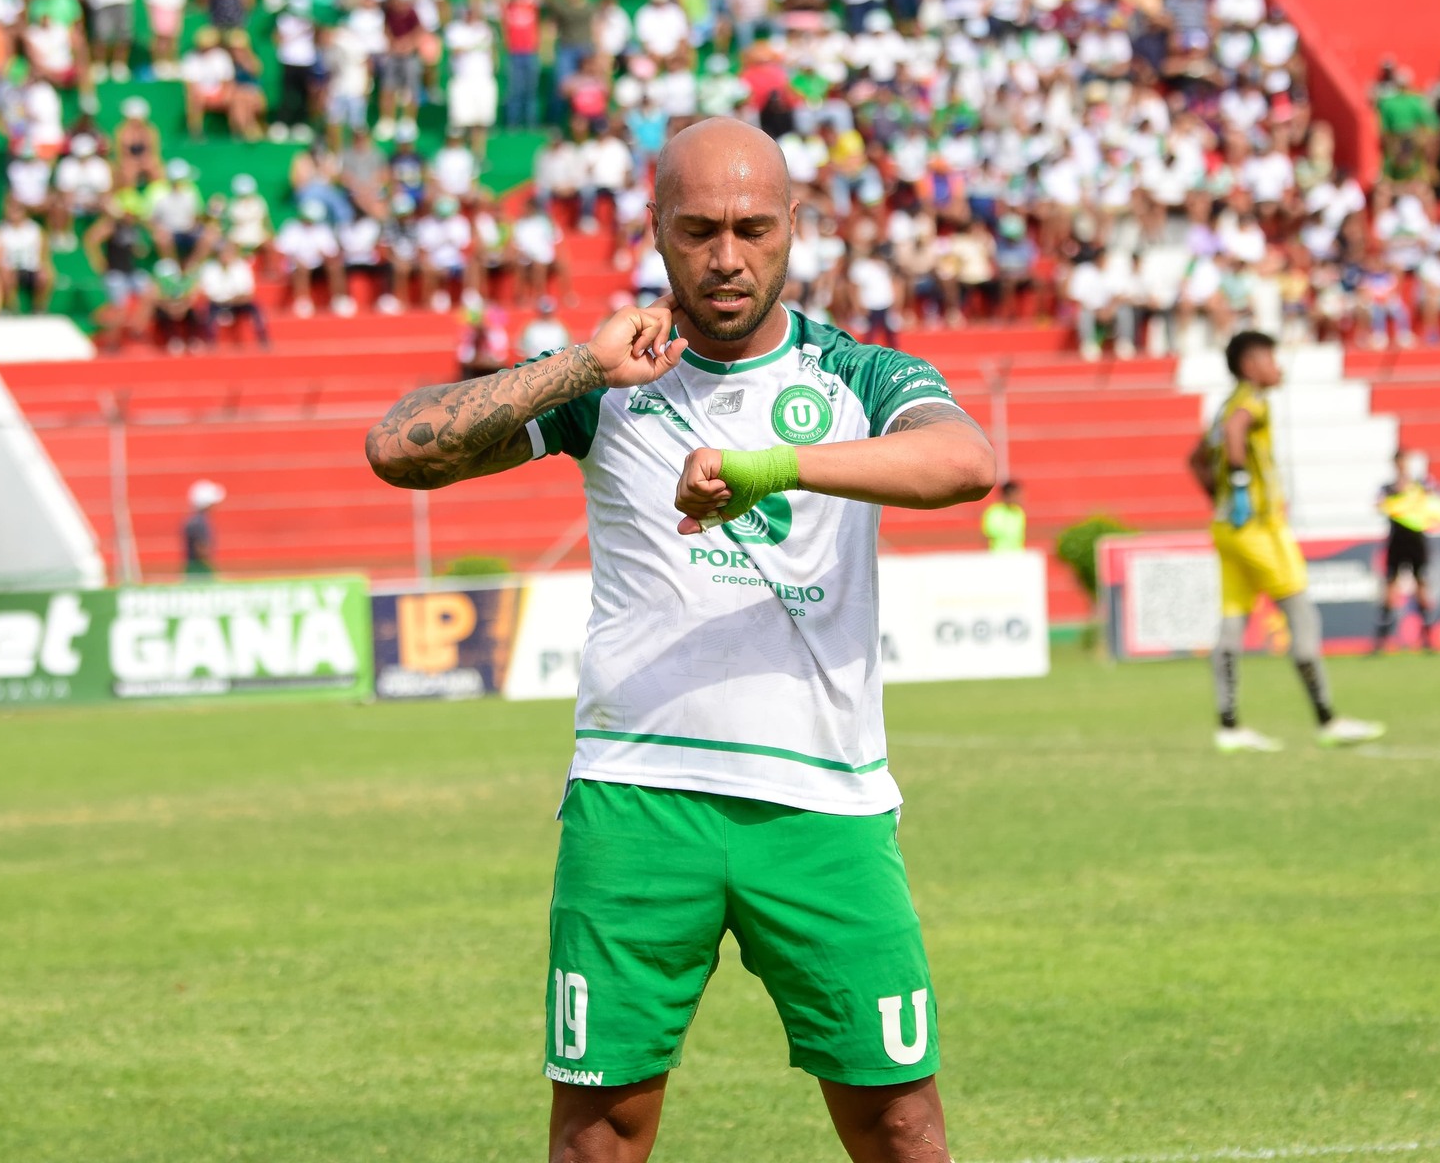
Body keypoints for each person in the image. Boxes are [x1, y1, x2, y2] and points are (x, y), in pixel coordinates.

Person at [364, 116, 994, 1163]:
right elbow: (397, 448)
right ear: (655, 231)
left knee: (899, 1125)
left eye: (752, 227)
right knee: (599, 1134)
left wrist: (773, 467)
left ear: (796, 225)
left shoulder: (860, 374)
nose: (727, 256)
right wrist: (575, 368)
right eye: (697, 229)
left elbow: (963, 462)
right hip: (635, 799)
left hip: (824, 806)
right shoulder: (609, 383)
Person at [1187, 331, 1386, 754]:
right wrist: (1241, 486)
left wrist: (1222, 499)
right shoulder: (1249, 401)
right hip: (1258, 527)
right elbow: (1237, 431)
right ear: (1249, 364)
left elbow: (1196, 459)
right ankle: (1328, 719)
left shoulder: (1225, 403)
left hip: (1227, 527)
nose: (1277, 366)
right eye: (1269, 358)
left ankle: (1229, 726)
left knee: (1231, 624)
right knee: (1301, 614)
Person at [1373, 449, 1440, 655]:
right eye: (1399, 462)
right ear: (1394, 464)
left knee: (1422, 587)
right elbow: (1378, 504)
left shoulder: (1420, 484)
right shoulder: (1389, 488)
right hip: (1397, 541)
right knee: (1390, 589)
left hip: (1417, 541)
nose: (1402, 466)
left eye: (1404, 462)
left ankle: (1427, 638)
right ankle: (1382, 640)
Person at [183, 479, 223, 575]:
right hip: (200, 571)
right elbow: (202, 550)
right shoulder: (200, 522)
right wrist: (213, 569)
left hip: (192, 568)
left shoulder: (193, 520)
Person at [981, 480, 1027, 552]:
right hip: (998, 557)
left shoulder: (1019, 512)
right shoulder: (993, 512)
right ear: (1007, 495)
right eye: (1015, 495)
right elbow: (987, 538)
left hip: (1017, 557)